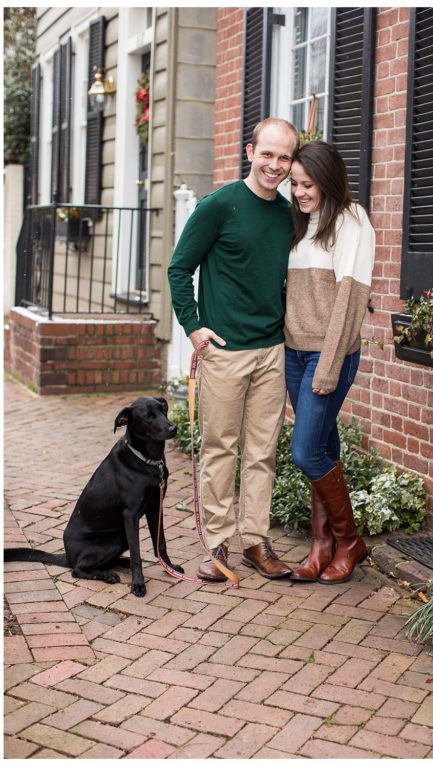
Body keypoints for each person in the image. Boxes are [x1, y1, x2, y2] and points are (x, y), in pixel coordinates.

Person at [167, 117, 298, 582]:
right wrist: (194, 327)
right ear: (250, 152)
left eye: (284, 157)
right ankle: (217, 543)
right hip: (224, 351)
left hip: (271, 350)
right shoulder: (219, 205)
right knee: (220, 448)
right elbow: (179, 269)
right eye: (268, 154)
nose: (275, 165)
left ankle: (255, 543)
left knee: (262, 452)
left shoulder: (287, 215)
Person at [284, 140, 375, 584]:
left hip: (328, 354)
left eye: (308, 184)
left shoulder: (351, 221)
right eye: (295, 184)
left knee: (305, 452)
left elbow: (349, 302)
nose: (299, 192)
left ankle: (350, 541)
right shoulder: (298, 224)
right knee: (323, 448)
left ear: (328, 182)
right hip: (292, 353)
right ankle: (322, 546)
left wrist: (328, 366)